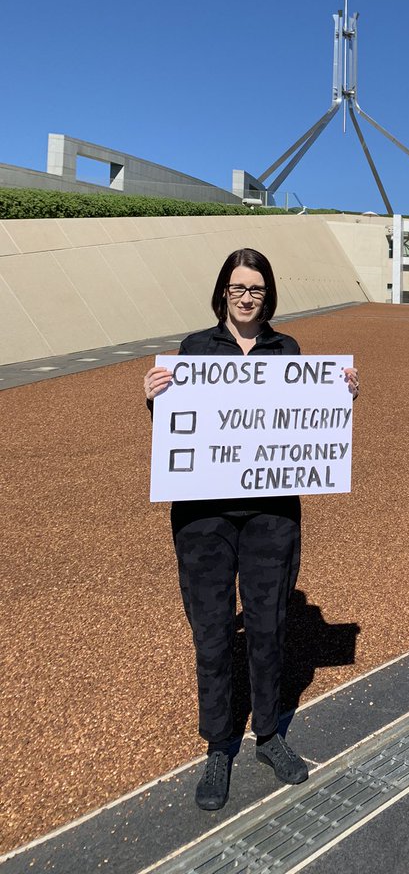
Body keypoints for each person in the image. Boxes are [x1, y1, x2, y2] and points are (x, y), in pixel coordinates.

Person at [144, 248, 359, 811]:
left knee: (268, 630)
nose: (247, 297)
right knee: (213, 634)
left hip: (270, 517)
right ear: (223, 293)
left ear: (268, 296)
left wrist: (342, 397)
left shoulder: (287, 352)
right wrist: (154, 400)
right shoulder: (194, 352)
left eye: (256, 289)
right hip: (203, 520)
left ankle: (267, 736)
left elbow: (307, 425)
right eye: (238, 288)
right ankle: (219, 747)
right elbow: (176, 430)